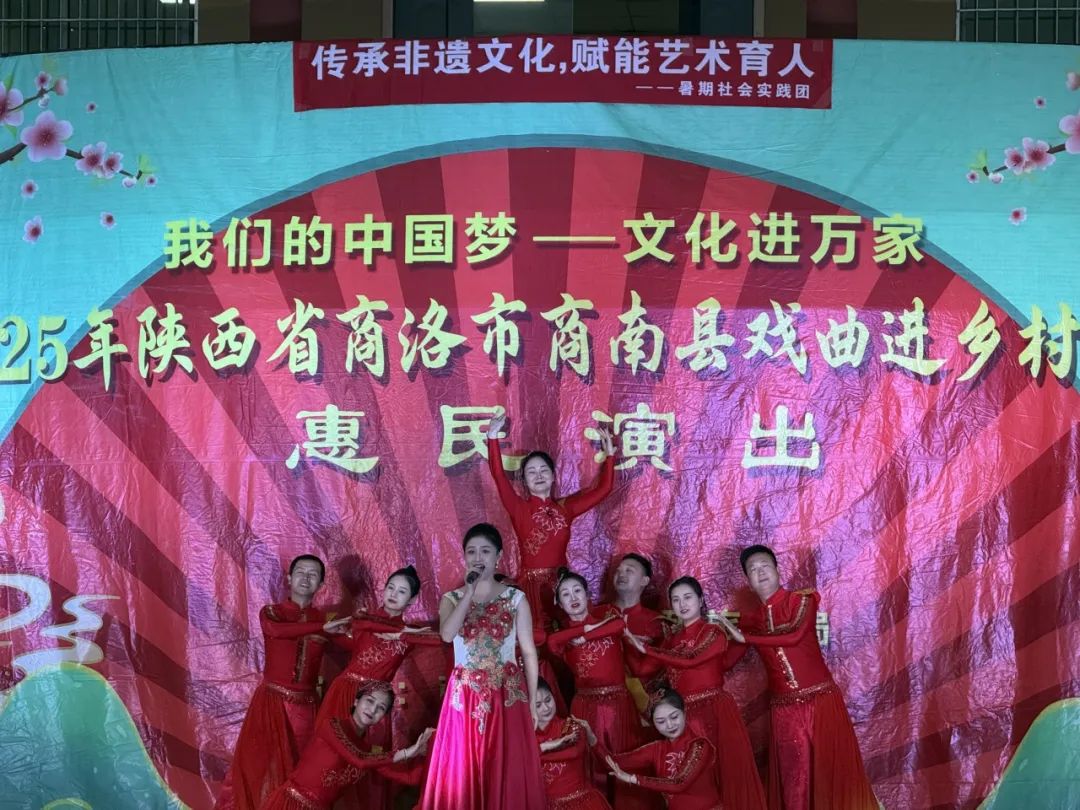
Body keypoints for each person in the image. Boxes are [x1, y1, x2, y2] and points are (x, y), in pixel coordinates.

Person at [730, 545, 878, 810]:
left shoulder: (801, 601)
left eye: (764, 566)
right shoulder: (751, 621)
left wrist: (747, 638)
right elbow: (723, 662)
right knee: (794, 779)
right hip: (784, 710)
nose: (760, 572)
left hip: (821, 701)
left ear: (777, 570)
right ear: (748, 583)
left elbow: (795, 635)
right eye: (752, 570)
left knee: (831, 775)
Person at [416, 523, 547, 810]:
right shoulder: (451, 599)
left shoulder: (515, 599)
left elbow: (528, 651)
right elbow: (447, 635)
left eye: (485, 551)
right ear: (464, 556)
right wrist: (468, 592)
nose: (478, 557)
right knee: (464, 764)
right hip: (465, 695)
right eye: (472, 551)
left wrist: (533, 703)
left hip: (506, 694)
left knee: (505, 764)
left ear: (498, 556)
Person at [624, 576, 767, 810]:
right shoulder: (672, 640)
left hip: (714, 710)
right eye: (676, 599)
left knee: (724, 773)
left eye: (687, 597)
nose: (682, 604)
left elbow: (691, 659)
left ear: (700, 600)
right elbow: (642, 670)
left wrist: (647, 649)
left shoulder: (712, 632)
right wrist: (625, 639)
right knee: (695, 783)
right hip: (683, 715)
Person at [316, 564, 441, 809]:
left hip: (377, 704)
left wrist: (403, 634)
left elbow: (441, 639)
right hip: (345, 693)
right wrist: (399, 631)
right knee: (331, 757)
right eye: (390, 587)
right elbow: (365, 625)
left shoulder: (407, 633)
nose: (393, 594)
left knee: (372, 761)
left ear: (412, 600)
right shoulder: (364, 618)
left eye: (402, 591)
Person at [217, 555, 335, 810]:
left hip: (306, 709)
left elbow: (355, 643)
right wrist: (323, 628)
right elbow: (276, 631)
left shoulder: (327, 620)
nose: (306, 577)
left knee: (301, 771)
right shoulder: (273, 613)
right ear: (289, 579)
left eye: (313, 574)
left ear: (321, 584)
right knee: (255, 768)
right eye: (300, 571)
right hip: (271, 704)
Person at [485, 411, 615, 630]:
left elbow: (604, 489)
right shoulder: (518, 508)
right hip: (531, 587)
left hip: (563, 585)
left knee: (570, 633)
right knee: (536, 637)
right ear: (524, 480)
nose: (538, 475)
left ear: (553, 476)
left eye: (543, 470)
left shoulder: (566, 509)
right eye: (531, 472)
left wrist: (610, 455)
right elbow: (498, 475)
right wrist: (492, 437)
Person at [545, 568, 655, 809]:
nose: (573, 598)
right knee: (592, 766)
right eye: (565, 594)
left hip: (619, 705)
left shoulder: (608, 617)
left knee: (624, 761)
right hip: (586, 706)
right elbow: (552, 642)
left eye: (577, 591)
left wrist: (585, 637)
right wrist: (582, 631)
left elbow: (618, 625)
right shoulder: (562, 638)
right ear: (559, 604)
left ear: (587, 595)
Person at [259, 681, 433, 810]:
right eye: (369, 701)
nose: (372, 710)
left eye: (381, 708)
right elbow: (359, 760)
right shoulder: (332, 727)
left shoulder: (367, 752)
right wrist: (407, 752)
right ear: (356, 701)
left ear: (384, 716)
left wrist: (431, 750)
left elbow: (410, 778)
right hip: (292, 804)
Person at [601, 686, 722, 810]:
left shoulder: (700, 745)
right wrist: (593, 740)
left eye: (674, 717)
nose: (669, 725)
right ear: (653, 724)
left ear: (684, 713)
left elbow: (679, 784)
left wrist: (633, 778)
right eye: (660, 721)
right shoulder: (657, 749)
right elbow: (612, 762)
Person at [598, 553, 667, 712]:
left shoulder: (656, 622)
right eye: (618, 570)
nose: (621, 574)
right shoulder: (595, 616)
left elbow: (662, 669)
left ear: (644, 581)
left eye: (629, 570)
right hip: (602, 702)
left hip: (642, 705)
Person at [533, 677, 612, 810]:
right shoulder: (525, 737)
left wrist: (535, 753)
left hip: (582, 803)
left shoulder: (570, 726)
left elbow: (574, 752)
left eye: (548, 700)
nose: (546, 708)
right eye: (538, 705)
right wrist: (546, 746)